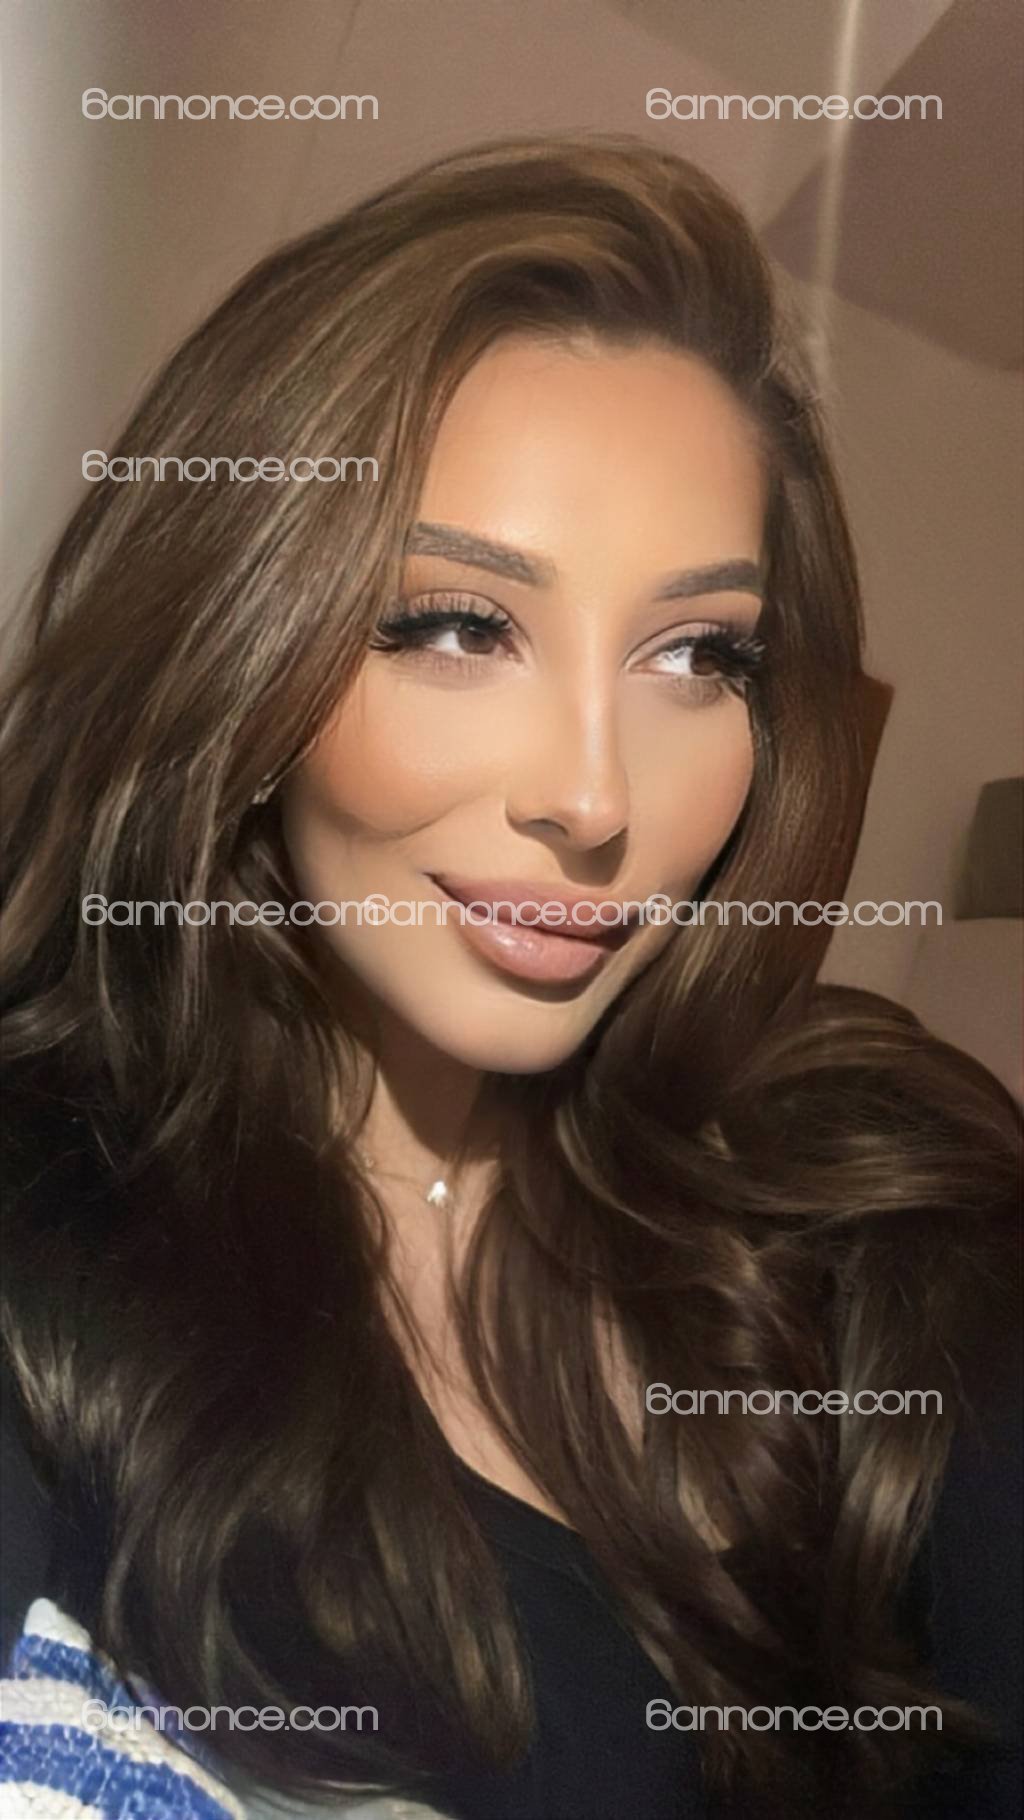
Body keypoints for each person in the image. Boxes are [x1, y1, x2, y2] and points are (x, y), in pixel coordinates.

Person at [0, 134, 1019, 1820]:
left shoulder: (875, 1201)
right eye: (461, 627)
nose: (598, 799)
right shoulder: (49, 1228)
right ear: (235, 641)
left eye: (699, 655)